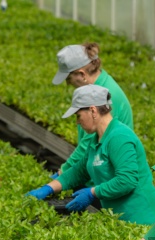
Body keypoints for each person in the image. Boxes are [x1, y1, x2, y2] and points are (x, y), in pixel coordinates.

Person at [26, 85, 155, 225]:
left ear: (93, 111)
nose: (77, 122)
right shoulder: (96, 140)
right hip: (123, 220)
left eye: (78, 116)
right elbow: (78, 172)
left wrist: (92, 192)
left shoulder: (119, 137)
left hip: (146, 218)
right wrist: (48, 188)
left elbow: (127, 180)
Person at [51, 42, 133, 179]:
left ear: (82, 75)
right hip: (98, 170)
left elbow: (87, 146)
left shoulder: (105, 95)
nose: (69, 85)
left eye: (69, 80)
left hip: (108, 177)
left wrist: (62, 174)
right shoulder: (97, 88)